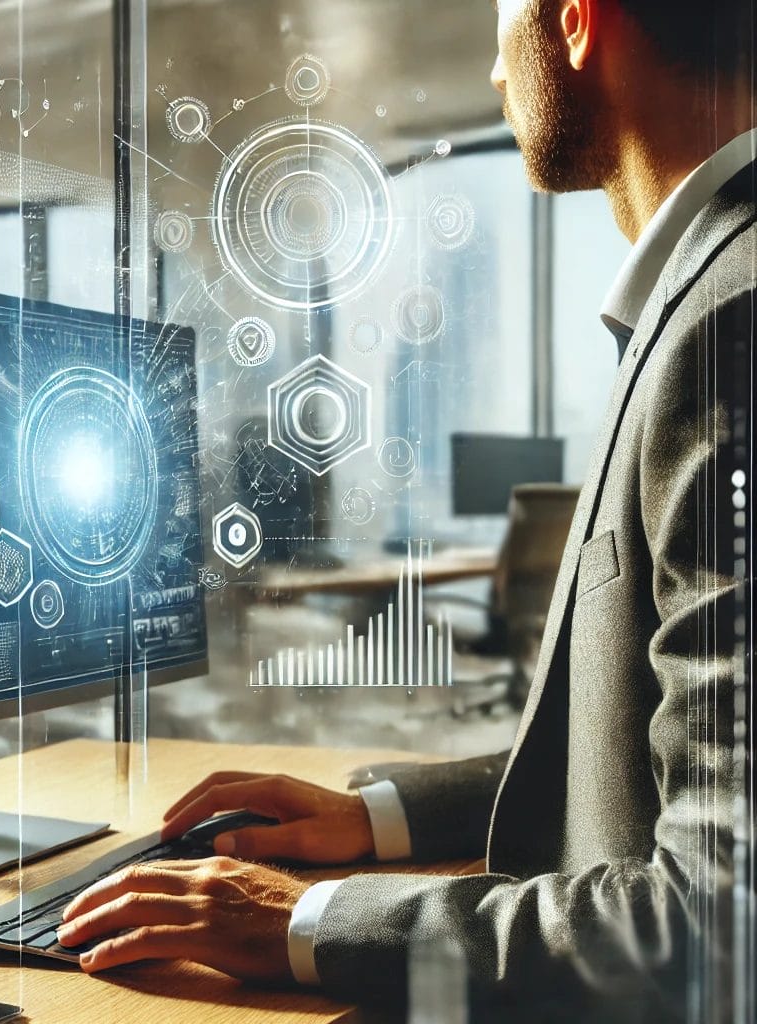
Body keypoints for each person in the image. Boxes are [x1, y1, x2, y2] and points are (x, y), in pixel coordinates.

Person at [57, 0, 755, 1016]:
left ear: (574, 21)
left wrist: (308, 923)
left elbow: (714, 923)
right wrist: (376, 817)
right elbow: (649, 775)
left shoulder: (729, 324)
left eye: (500, 19)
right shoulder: (702, 299)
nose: (490, 73)